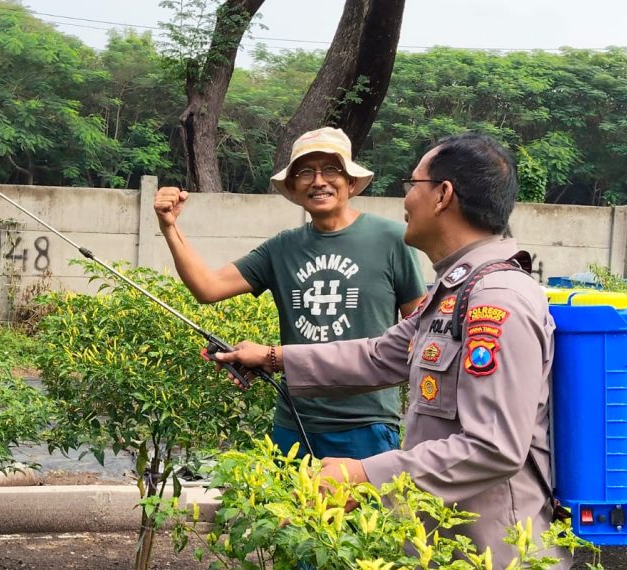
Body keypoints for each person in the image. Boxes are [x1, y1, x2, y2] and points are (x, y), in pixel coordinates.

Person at [214, 133, 566, 568]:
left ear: (442, 195)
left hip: (494, 548)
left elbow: (493, 447)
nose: (405, 199)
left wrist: (364, 474)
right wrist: (272, 357)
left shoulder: (496, 299)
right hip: (450, 539)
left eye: (412, 183)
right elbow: (379, 355)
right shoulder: (456, 291)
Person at [153, 126, 426, 460]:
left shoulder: (393, 239)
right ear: (294, 188)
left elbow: (420, 334)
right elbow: (207, 287)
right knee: (286, 513)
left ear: (351, 182)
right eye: (306, 172)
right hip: (293, 423)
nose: (319, 181)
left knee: (361, 514)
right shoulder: (282, 248)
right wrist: (169, 226)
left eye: (331, 169)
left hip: (366, 424)